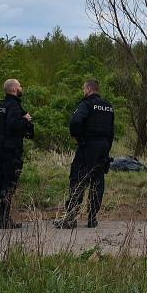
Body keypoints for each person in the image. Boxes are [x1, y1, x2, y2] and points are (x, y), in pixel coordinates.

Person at [54, 79, 114, 229]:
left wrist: (78, 138)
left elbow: (75, 122)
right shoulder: (108, 107)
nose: (83, 92)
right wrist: (106, 149)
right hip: (103, 148)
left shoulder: (86, 104)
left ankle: (70, 218)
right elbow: (111, 131)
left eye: (83, 89)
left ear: (87, 89)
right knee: (97, 181)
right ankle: (92, 218)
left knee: (78, 180)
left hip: (87, 147)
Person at [0, 78, 34, 229]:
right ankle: (4, 220)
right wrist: (26, 120)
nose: (21, 88)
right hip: (11, 150)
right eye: (20, 85)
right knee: (9, 184)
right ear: (14, 89)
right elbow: (14, 125)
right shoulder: (14, 106)